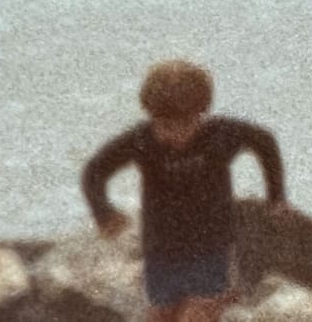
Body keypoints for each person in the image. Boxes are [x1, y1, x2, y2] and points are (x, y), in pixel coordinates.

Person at [82, 60, 288, 322]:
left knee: (198, 313)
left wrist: (276, 197)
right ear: (151, 115)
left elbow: (265, 142)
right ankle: (223, 297)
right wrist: (104, 213)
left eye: (185, 124)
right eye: (165, 125)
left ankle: (222, 298)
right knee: (163, 314)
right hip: (160, 248)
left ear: (201, 113)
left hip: (210, 245)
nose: (175, 134)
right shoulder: (141, 141)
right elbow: (94, 171)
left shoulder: (220, 135)